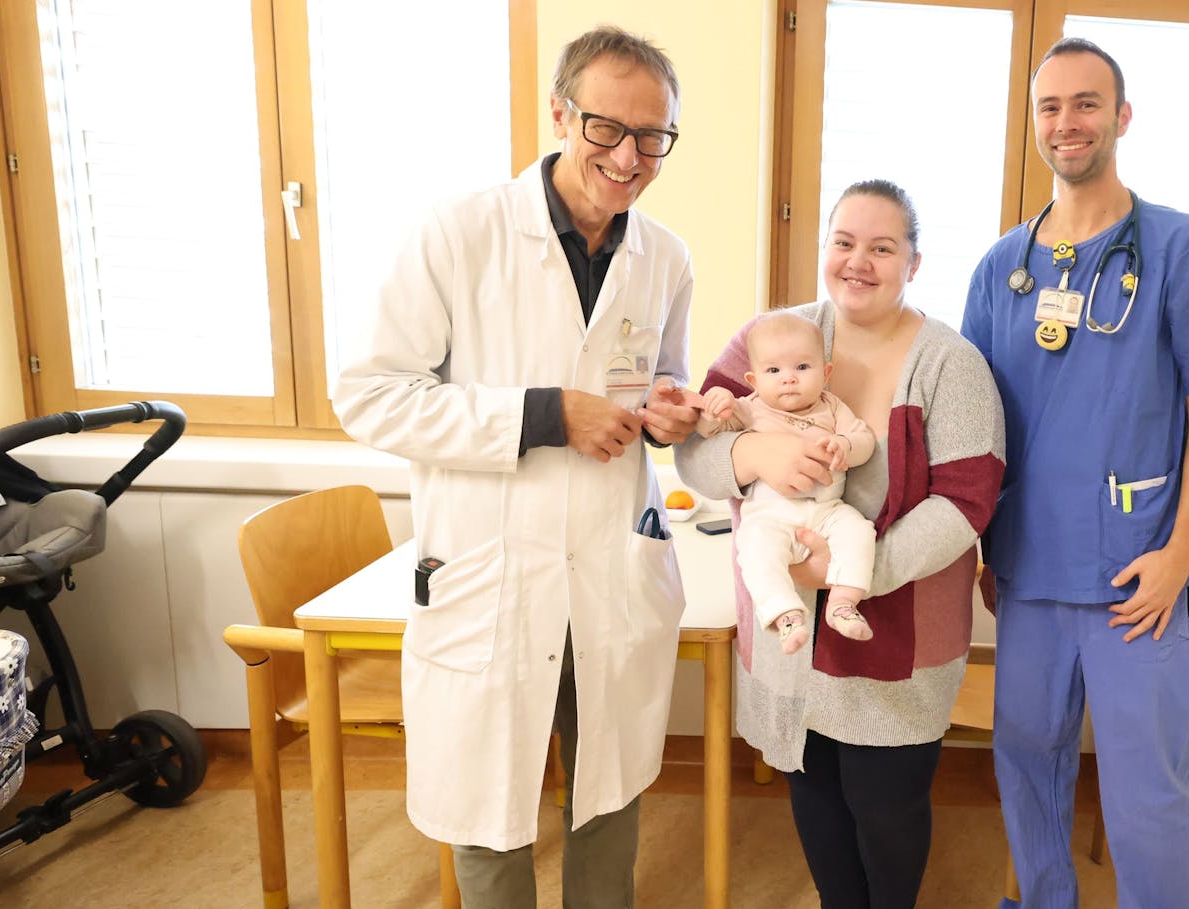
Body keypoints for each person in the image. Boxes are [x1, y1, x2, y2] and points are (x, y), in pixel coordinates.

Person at [333, 26, 701, 909]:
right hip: (491, 569)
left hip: (611, 564)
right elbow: (371, 394)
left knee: (608, 791)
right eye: (607, 128)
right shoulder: (459, 233)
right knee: (487, 805)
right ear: (560, 113)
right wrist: (544, 413)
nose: (630, 156)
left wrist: (668, 411)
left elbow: (663, 377)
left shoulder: (667, 257)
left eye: (654, 136)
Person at [961, 38, 1189, 909]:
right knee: (1028, 765)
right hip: (1031, 569)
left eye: (1087, 104)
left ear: (1121, 119)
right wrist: (983, 551)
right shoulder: (1001, 268)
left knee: (1145, 790)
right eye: (1051, 107)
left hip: (1138, 572)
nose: (1067, 122)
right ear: (1034, 124)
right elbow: (977, 430)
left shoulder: (1182, 250)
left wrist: (1178, 550)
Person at [677, 179, 1005, 908]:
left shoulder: (952, 364)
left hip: (901, 638)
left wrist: (855, 568)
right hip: (793, 637)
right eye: (845, 242)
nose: (860, 261)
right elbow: (696, 454)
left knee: (887, 811)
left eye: (882, 247)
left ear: (913, 263)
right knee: (815, 798)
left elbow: (967, 499)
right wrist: (753, 457)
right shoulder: (773, 339)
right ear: (824, 248)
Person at [697, 311, 879, 654]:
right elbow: (707, 433)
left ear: (825, 373)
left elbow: (863, 439)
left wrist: (845, 446)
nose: (789, 379)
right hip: (770, 516)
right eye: (774, 371)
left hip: (827, 511)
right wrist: (715, 405)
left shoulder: (833, 407)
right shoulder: (748, 408)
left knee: (859, 532)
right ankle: (786, 613)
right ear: (753, 380)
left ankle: (843, 602)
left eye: (802, 368)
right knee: (754, 551)